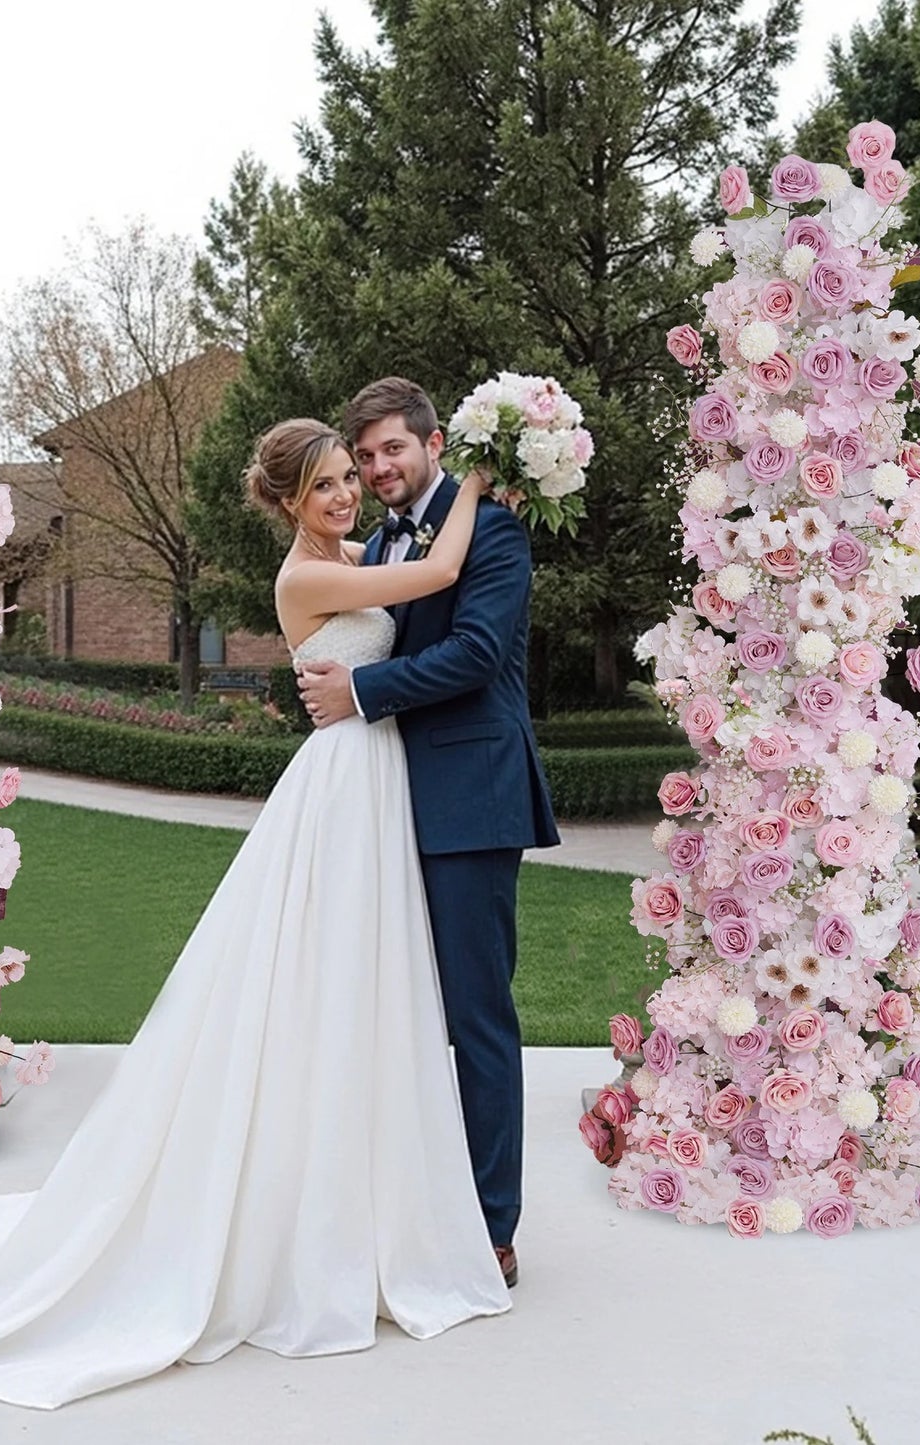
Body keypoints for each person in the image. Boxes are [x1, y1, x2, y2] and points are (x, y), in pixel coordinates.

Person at [0, 418, 509, 1409]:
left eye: (351, 477)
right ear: (287, 502)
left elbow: (411, 580)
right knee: (317, 976)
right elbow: (434, 576)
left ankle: (369, 1199)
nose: (346, 495)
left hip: (375, 775)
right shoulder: (308, 578)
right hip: (344, 781)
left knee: (365, 983)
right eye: (327, 485)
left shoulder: (353, 550)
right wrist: (474, 479)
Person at [298, 378, 559, 1290]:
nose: (375, 470)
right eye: (363, 457)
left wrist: (360, 693)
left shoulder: (492, 528)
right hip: (387, 802)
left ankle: (491, 1227)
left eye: (389, 451)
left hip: (471, 800)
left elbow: (478, 654)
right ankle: (402, 1206)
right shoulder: (386, 543)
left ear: (434, 441)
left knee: (473, 1016)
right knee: (392, 1012)